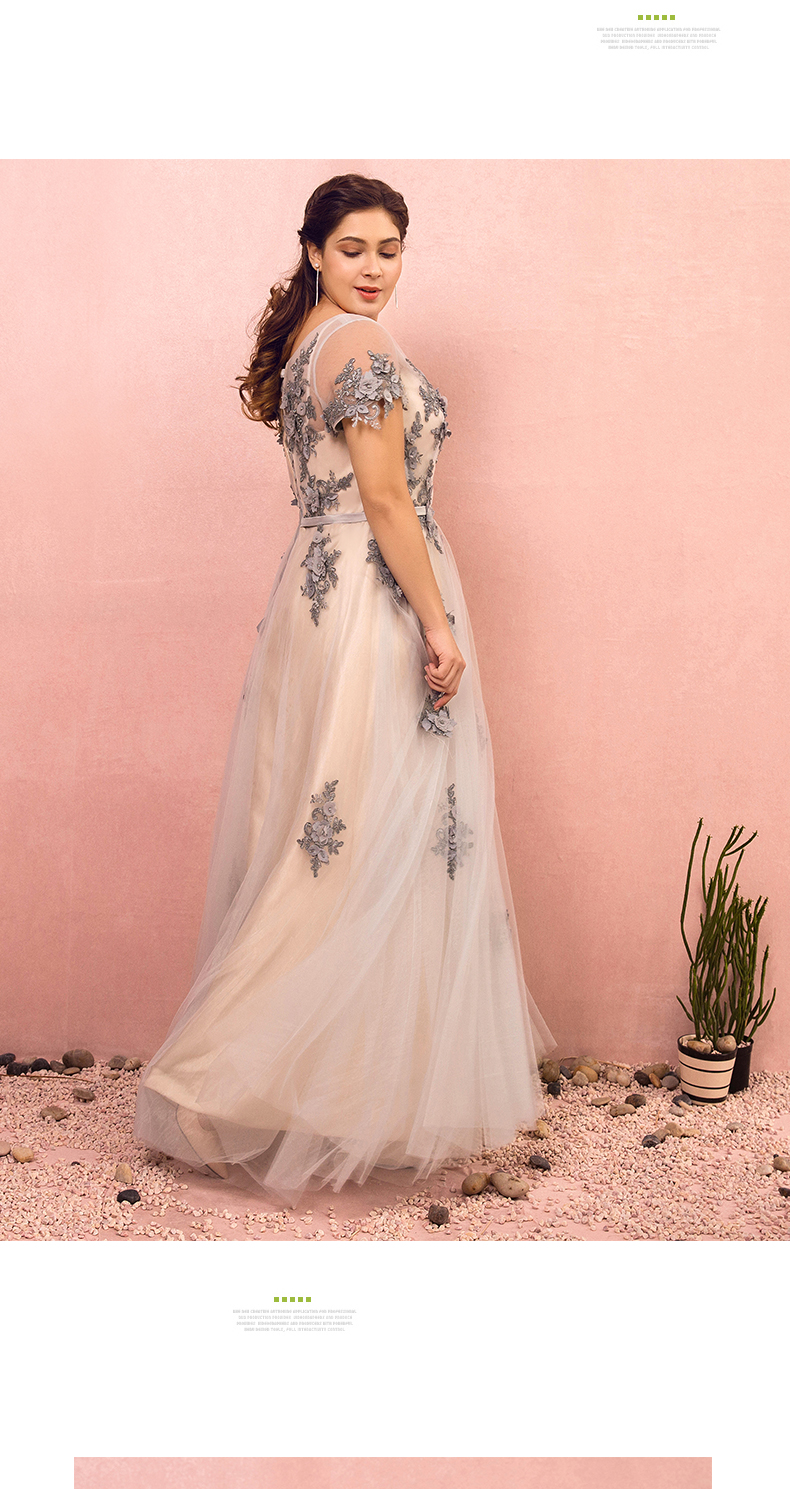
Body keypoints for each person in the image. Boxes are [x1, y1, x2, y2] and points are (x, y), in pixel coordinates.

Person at [134, 173, 554, 1202]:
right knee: (355, 844)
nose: (374, 268)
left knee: (338, 839)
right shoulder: (357, 345)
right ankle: (214, 1074)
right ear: (314, 250)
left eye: (390, 249)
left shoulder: (310, 342)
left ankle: (342, 1091)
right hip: (373, 600)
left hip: (318, 599)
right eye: (354, 248)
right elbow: (384, 496)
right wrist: (438, 623)